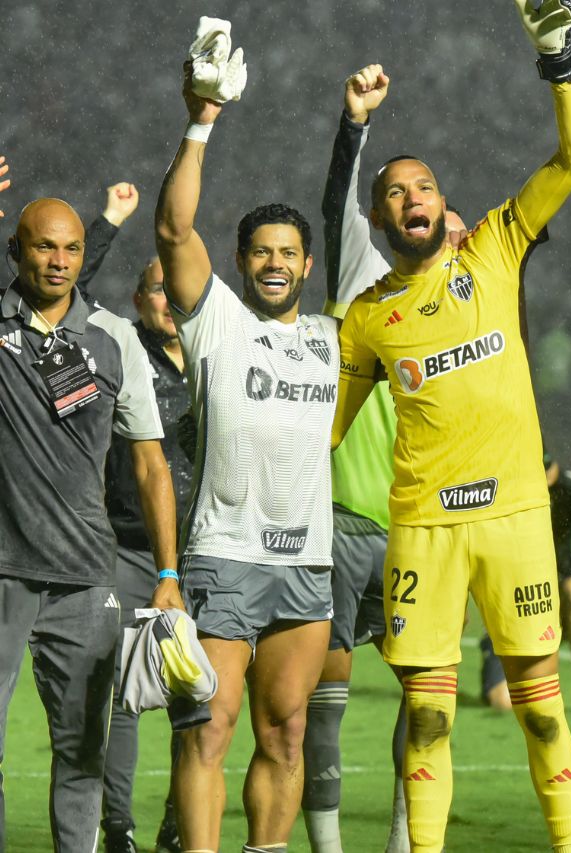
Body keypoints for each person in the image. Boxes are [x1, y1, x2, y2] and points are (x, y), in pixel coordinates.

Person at [332, 2, 571, 851]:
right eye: (394, 192)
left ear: (446, 206)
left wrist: (556, 63)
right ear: (379, 222)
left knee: (544, 714)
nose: (411, 198)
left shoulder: (493, 249)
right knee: (431, 719)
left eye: (424, 186)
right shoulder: (368, 319)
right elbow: (325, 429)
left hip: (516, 518)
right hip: (426, 533)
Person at [154, 41, 339, 853]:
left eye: (287, 252)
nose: (273, 262)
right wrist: (202, 121)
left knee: (288, 730)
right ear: (240, 261)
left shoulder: (335, 338)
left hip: (307, 564)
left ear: (306, 264)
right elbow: (172, 225)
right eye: (260, 250)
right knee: (208, 723)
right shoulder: (216, 320)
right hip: (223, 555)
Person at [302, 67, 469, 853]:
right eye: (401, 198)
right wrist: (353, 126)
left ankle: (408, 842)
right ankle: (331, 847)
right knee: (324, 696)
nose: (426, 215)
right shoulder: (361, 280)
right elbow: (340, 203)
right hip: (338, 525)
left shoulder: (469, 315)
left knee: (425, 696)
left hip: (424, 531)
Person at [0, 187, 183, 852]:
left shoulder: (114, 341)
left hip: (87, 581)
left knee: (82, 755)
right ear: (16, 250)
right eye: (44, 245)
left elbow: (150, 465)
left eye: (72, 248)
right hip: (2, 575)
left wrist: (166, 570)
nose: (58, 260)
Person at [73, 185, 190, 853]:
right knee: (118, 694)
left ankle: (181, 825)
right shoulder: (117, 347)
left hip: (201, 552)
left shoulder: (215, 358)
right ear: (139, 299)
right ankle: (117, 828)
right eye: (154, 289)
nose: (167, 300)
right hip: (123, 547)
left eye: (176, 288)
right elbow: (65, 295)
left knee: (192, 695)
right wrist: (108, 222)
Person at [481, 455, 571, 714]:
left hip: (557, 592)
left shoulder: (564, 490)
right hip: (513, 606)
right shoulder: (508, 491)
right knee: (503, 702)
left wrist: (558, 479)